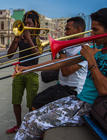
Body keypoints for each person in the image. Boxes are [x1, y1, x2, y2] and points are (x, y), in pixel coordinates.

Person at [14, 8, 107, 140]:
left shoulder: (93, 52)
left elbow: (104, 89)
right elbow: (59, 64)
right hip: (79, 100)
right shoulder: (95, 49)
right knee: (30, 117)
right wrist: (27, 68)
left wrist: (91, 60)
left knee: (35, 122)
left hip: (90, 107)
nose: (92, 34)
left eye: (96, 30)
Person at [31, 17, 88, 110]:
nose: (65, 32)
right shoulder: (69, 46)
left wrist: (62, 51)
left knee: (42, 107)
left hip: (73, 91)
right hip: (61, 86)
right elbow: (57, 64)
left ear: (79, 30)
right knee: (36, 101)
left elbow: (66, 72)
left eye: (68, 29)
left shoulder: (84, 49)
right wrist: (55, 51)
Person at [6, 10, 40, 134]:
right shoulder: (20, 38)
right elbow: (9, 55)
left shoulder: (38, 39)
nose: (26, 25)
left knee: (31, 103)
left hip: (32, 73)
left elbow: (37, 54)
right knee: (16, 101)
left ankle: (29, 127)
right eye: (25, 23)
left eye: (29, 23)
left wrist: (29, 38)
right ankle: (19, 125)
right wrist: (16, 40)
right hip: (19, 72)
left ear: (36, 24)